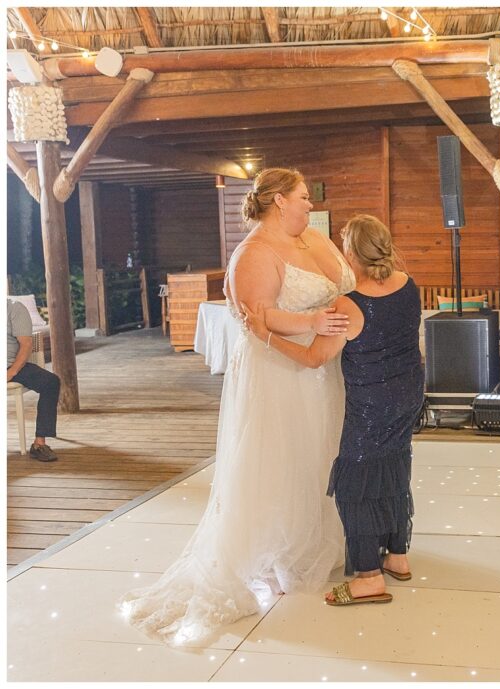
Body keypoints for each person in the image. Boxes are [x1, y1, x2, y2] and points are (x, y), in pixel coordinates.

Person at [119, 168, 355, 645]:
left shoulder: (313, 237)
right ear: (278, 201)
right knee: (280, 459)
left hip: (322, 367)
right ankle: (275, 552)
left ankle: (314, 543)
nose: (310, 203)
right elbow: (258, 318)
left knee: (319, 453)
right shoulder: (254, 253)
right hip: (279, 371)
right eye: (303, 196)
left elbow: (344, 285)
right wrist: (313, 321)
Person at [243, 214, 423, 607]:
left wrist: (265, 335)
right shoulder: (409, 286)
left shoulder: (350, 305)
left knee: (353, 483)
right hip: (409, 392)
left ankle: (369, 577)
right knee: (394, 465)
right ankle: (397, 555)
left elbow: (314, 358)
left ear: (352, 254)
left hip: (372, 403)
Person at [7, 299, 59, 461]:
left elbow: (26, 344)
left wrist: (10, 373)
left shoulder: (14, 308)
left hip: (11, 366)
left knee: (50, 382)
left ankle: (39, 444)